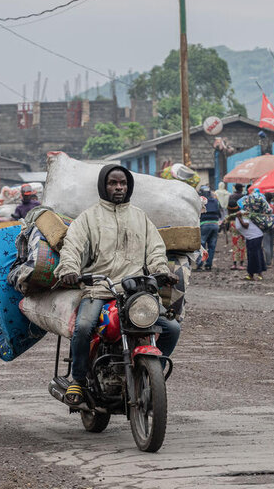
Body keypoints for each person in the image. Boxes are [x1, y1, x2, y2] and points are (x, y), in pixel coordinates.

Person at [53, 165, 179, 406]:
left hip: (135, 292)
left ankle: (151, 377)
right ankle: (78, 380)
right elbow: (72, 247)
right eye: (113, 183)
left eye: (123, 183)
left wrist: (161, 271)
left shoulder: (140, 217)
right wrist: (69, 269)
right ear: (104, 186)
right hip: (98, 289)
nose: (119, 187)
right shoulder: (88, 218)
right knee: (84, 327)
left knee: (171, 328)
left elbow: (155, 249)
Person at [234, 209, 265, 281]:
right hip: (250, 237)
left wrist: (239, 217)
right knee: (250, 256)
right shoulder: (237, 215)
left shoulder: (243, 213)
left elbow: (246, 225)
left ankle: (259, 274)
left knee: (255, 256)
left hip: (255, 236)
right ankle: (251, 274)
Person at [196, 187, 221, 271]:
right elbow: (219, 213)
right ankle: (208, 265)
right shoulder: (215, 201)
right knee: (212, 246)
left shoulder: (201, 201)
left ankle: (200, 263)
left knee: (202, 244)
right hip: (215, 224)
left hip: (204, 225)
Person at [226, 184, 246, 270]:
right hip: (242, 221)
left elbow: (228, 211)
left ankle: (234, 264)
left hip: (233, 222)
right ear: (241, 188)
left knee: (234, 243)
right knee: (242, 243)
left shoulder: (231, 196)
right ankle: (241, 264)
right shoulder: (244, 197)